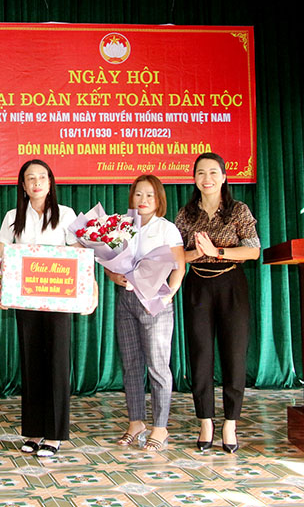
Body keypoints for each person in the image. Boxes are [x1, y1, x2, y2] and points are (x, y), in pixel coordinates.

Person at [0, 159, 81, 457]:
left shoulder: (66, 214)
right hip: (26, 299)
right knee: (31, 363)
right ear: (23, 185)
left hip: (59, 300)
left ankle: (54, 435)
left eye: (42, 177)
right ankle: (33, 431)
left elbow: (78, 253)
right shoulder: (12, 216)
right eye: (30, 178)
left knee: (57, 362)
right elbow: (0, 253)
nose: (36, 183)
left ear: (50, 182)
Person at [174, 152, 260, 454]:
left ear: (223, 177)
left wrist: (217, 252)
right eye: (200, 173)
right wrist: (196, 254)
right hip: (197, 285)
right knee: (200, 354)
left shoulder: (238, 210)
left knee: (234, 354)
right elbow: (176, 256)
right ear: (194, 179)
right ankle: (205, 421)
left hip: (231, 284)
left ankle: (230, 423)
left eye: (213, 172)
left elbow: (253, 251)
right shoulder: (186, 214)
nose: (207, 178)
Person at [105, 175, 185, 451]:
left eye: (150, 195)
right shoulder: (123, 227)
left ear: (159, 199)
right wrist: (114, 276)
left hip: (155, 302)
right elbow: (109, 262)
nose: (143, 200)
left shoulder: (167, 229)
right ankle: (135, 422)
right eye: (138, 194)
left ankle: (160, 427)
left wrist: (168, 295)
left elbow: (179, 266)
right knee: (130, 365)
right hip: (126, 301)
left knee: (158, 366)